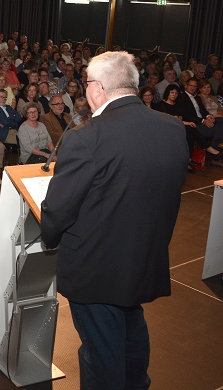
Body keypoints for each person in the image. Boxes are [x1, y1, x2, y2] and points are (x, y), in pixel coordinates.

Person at [41, 51, 187, 390]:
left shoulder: (86, 137)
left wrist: (49, 236)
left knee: (101, 355)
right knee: (131, 338)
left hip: (96, 269)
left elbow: (58, 210)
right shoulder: (172, 128)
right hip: (143, 257)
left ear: (97, 89)